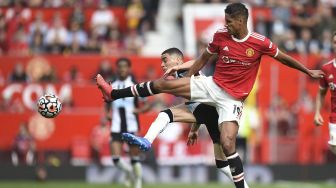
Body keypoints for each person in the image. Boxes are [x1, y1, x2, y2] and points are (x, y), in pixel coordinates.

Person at [96, 3, 324, 188]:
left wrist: (307, 70)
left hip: (232, 100)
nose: (226, 25)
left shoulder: (259, 42)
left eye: (229, 21)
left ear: (241, 21)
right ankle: (114, 93)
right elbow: (203, 60)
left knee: (226, 144)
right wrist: (187, 79)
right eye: (225, 21)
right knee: (164, 84)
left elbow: (282, 57)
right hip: (212, 86)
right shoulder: (220, 36)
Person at [122, 47, 247, 186]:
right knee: (222, 164)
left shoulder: (185, 70)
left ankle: (147, 140)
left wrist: (180, 67)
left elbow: (196, 62)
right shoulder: (179, 78)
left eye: (165, 60)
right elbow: (194, 102)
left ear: (177, 60)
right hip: (209, 112)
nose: (162, 65)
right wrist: (194, 129)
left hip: (211, 110)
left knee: (165, 115)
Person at [107, 58, 151, 188]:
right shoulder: (111, 85)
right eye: (120, 66)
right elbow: (106, 106)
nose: (122, 69)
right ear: (117, 68)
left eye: (124, 66)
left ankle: (137, 183)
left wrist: (139, 110)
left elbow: (147, 105)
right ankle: (130, 173)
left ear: (129, 68)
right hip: (116, 125)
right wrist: (107, 115)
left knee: (134, 158)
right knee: (116, 159)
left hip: (132, 126)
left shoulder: (135, 85)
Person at [314, 31, 336, 156]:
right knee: (334, 147)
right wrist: (317, 113)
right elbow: (321, 93)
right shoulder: (327, 69)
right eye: (335, 42)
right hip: (334, 117)